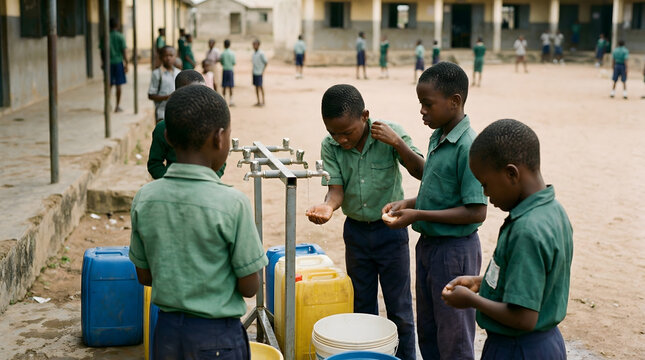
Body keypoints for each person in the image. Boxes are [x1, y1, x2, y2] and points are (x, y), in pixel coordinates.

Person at [130, 84, 268, 360]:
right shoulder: (231, 203)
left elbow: (144, 276)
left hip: (166, 334)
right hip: (217, 337)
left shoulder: (145, 198)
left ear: (167, 137)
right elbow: (250, 286)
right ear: (219, 138)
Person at [306, 84, 425, 360]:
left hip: (391, 232)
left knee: (401, 310)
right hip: (356, 235)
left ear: (364, 116)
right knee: (362, 308)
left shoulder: (389, 133)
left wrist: (398, 143)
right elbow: (336, 190)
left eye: (347, 133)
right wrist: (327, 206)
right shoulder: (331, 145)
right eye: (333, 133)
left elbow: (422, 172)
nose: (341, 140)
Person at [442, 118, 573, 360]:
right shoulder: (553, 210)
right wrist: (482, 283)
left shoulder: (527, 230)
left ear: (511, 173)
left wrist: (473, 300)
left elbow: (523, 317)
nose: (485, 193)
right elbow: (534, 279)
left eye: (486, 184)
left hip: (519, 349)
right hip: (545, 344)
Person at [382, 62, 487, 359]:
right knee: (428, 330)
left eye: (427, 104)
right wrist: (410, 204)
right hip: (429, 247)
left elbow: (476, 211)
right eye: (420, 104)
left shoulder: (469, 146)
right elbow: (439, 192)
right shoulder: (438, 136)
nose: (422, 111)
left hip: (455, 251)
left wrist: (419, 215)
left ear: (454, 102)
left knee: (454, 335)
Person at [147, 70, 226, 180]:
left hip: (206, 185)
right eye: (191, 92)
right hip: (172, 189)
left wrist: (209, 179)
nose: (198, 97)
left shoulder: (211, 126)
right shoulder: (163, 128)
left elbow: (220, 160)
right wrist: (171, 180)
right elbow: (154, 164)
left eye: (202, 92)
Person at [99, 18, 128, 113]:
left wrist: (103, 62)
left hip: (108, 63)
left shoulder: (105, 36)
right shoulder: (120, 36)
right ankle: (117, 106)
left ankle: (107, 105)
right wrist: (126, 63)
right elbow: (124, 51)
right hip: (118, 62)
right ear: (118, 25)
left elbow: (102, 51)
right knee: (118, 85)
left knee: (108, 85)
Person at [148, 46, 180, 124]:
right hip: (162, 112)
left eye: (171, 56)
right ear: (161, 57)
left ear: (175, 57)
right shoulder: (157, 73)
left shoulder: (178, 72)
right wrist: (167, 97)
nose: (168, 58)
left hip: (177, 112)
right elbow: (151, 95)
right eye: (166, 56)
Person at [251, 39, 268, 107]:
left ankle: (263, 101)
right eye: (253, 45)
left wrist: (262, 71)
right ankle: (258, 101)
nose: (254, 46)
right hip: (255, 72)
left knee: (260, 87)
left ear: (258, 45)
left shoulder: (261, 53)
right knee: (256, 87)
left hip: (259, 72)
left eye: (255, 44)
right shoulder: (254, 54)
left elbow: (266, 62)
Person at [220, 39, 236, 106]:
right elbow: (234, 62)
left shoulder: (223, 53)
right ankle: (231, 100)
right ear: (230, 45)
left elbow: (221, 62)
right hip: (230, 70)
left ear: (224, 45)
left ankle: (224, 99)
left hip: (225, 70)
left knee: (224, 85)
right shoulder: (232, 53)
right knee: (231, 86)